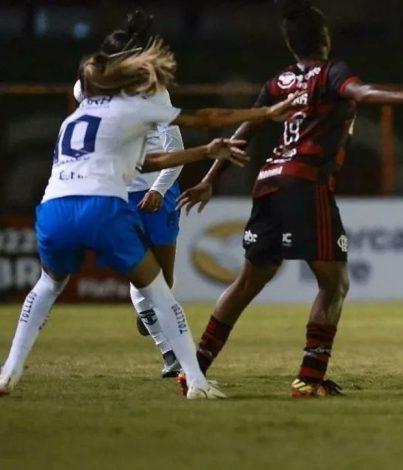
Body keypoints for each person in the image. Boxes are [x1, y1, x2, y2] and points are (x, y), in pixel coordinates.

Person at [176, 0, 403, 398]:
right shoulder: (331, 73)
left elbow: (245, 129)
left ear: (291, 46)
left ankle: (193, 369)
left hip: (268, 182)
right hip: (305, 185)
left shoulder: (278, 82)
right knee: (334, 283)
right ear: (325, 38)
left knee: (246, 282)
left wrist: (209, 179)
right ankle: (309, 378)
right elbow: (362, 90)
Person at [0, 37, 301, 398]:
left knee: (48, 286)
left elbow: (145, 162)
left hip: (53, 210)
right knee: (158, 289)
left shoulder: (75, 117)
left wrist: (205, 151)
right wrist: (264, 114)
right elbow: (208, 117)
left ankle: (8, 373)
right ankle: (196, 382)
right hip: (101, 207)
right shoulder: (129, 109)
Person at [81, 9, 185, 378]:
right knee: (143, 276)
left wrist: (158, 190)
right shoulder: (91, 90)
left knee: (164, 280)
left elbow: (176, 152)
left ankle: (150, 315)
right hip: (119, 194)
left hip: (160, 194)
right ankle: (170, 353)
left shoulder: (156, 93)